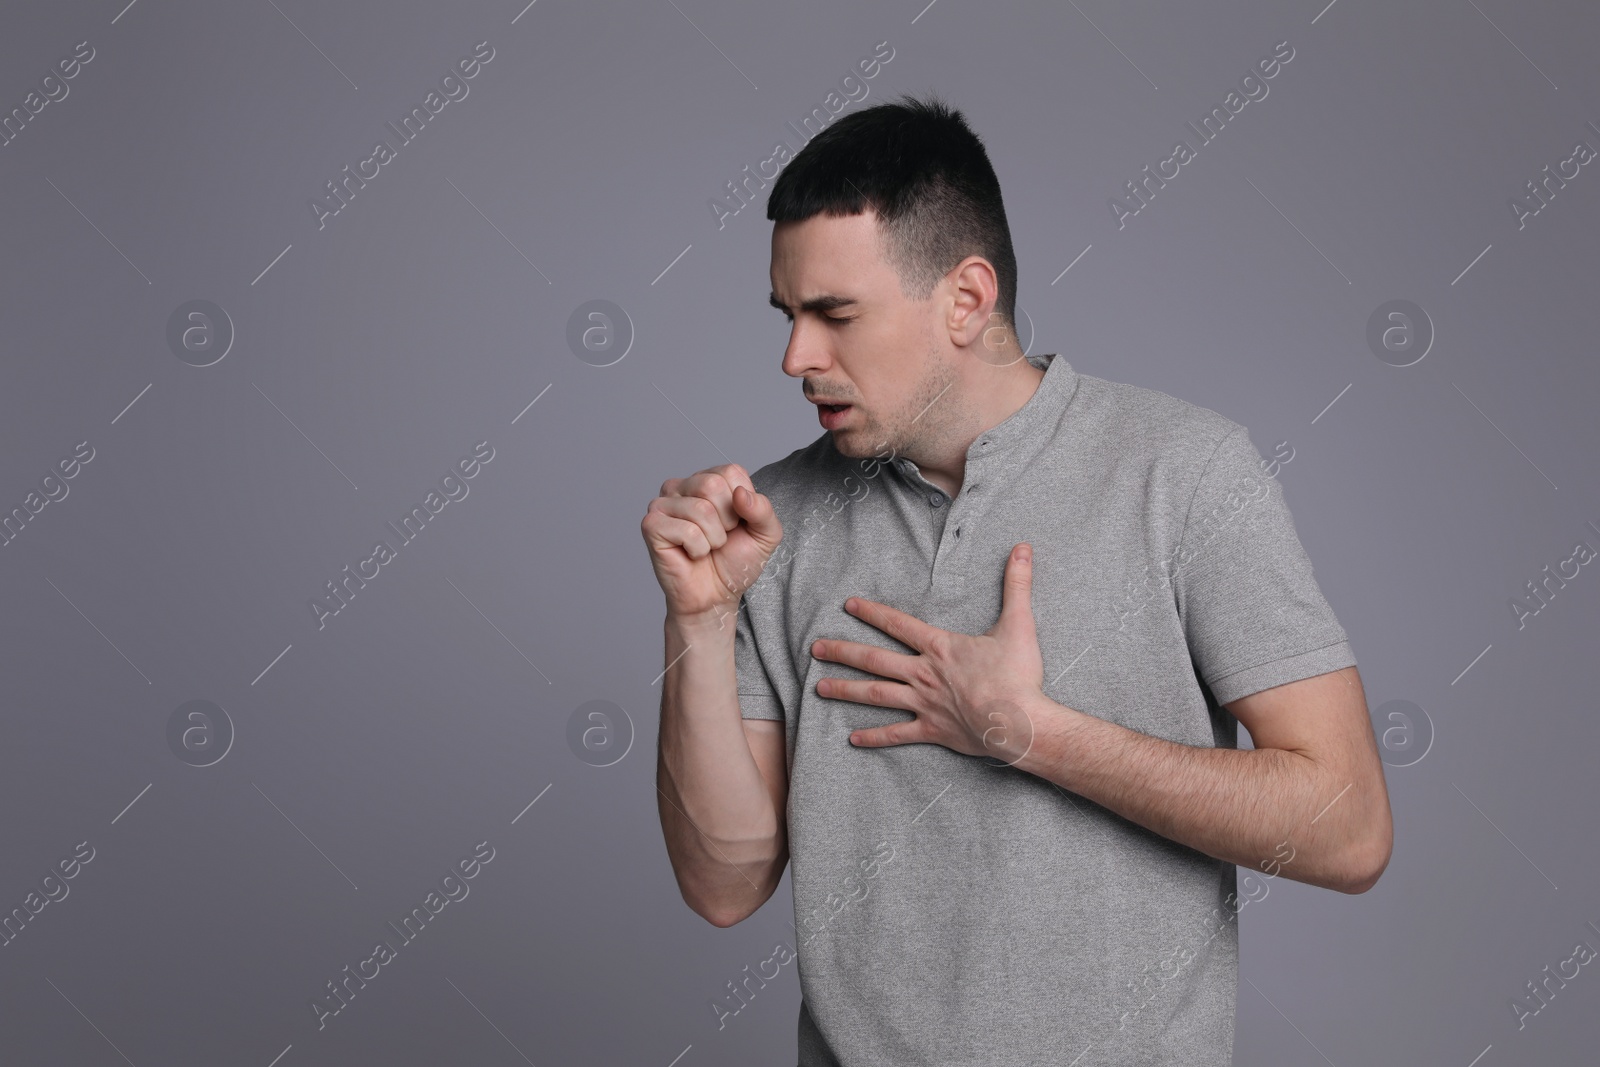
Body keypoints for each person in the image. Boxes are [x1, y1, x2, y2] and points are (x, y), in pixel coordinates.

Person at [642, 92, 1392, 1067]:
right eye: (789, 316)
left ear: (965, 297)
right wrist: (699, 620)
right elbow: (723, 885)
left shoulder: (1185, 472)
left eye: (834, 315)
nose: (796, 358)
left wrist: (1037, 734)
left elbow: (1348, 828)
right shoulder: (770, 522)